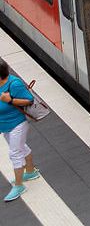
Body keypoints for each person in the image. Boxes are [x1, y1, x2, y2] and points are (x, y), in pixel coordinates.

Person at [0, 62, 38, 203]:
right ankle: (30, 171)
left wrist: (10, 100)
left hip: (17, 123)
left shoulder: (14, 84)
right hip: (5, 125)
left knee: (15, 153)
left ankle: (19, 186)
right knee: (21, 147)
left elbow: (29, 100)